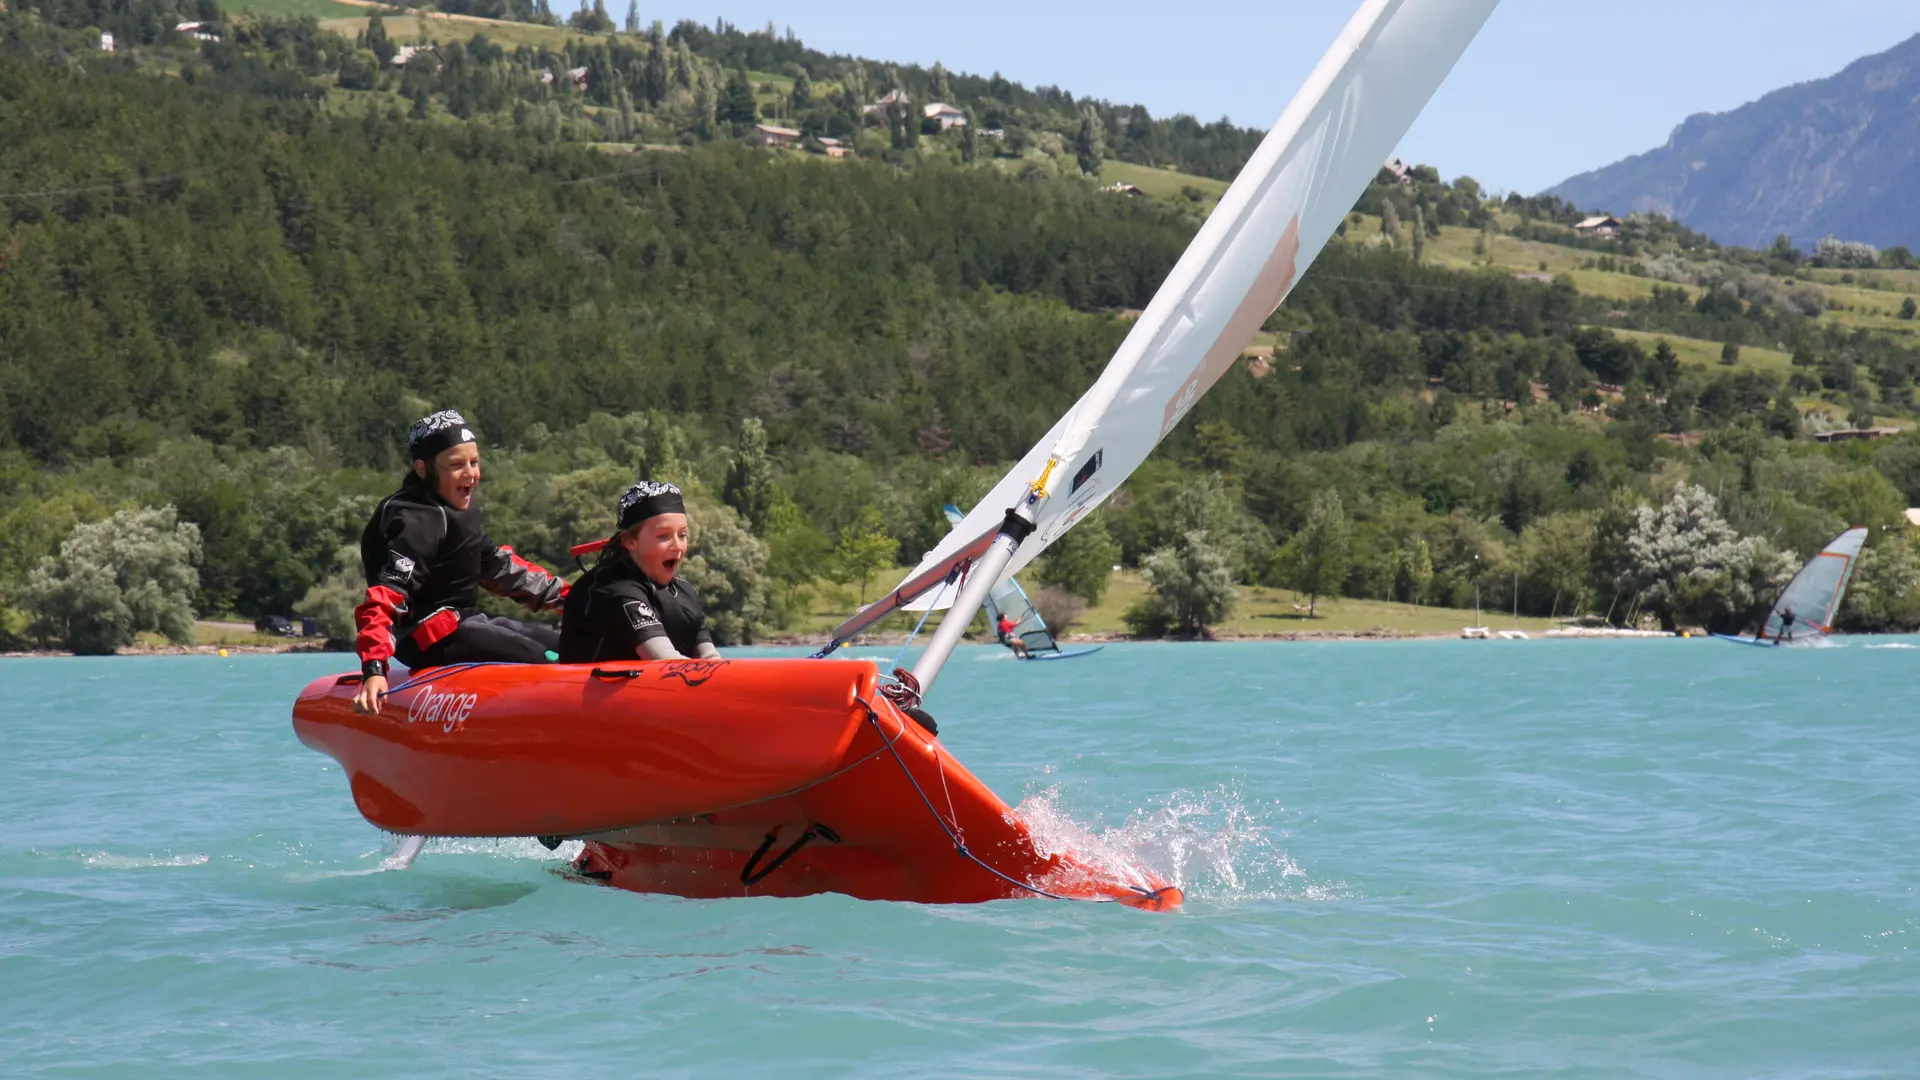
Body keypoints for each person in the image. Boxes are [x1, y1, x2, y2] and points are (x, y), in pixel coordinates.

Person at [352, 410, 568, 714]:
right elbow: (384, 601)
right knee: (552, 660)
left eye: (474, 462)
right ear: (423, 469)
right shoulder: (414, 519)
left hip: (467, 624)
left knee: (572, 647)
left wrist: (577, 599)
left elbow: (498, 567)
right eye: (456, 465)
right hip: (430, 641)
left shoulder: (456, 507)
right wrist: (374, 670)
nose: (470, 474)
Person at [557, 480, 720, 663]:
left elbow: (711, 658)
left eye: (682, 535)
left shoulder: (684, 591)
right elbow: (665, 660)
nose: (677, 546)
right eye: (663, 536)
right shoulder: (613, 589)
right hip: (586, 688)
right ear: (630, 541)